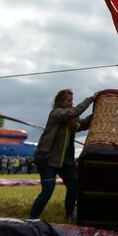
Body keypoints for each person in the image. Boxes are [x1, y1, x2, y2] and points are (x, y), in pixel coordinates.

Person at [29, 88, 94, 223]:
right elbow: (75, 111)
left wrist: (96, 114)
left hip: (65, 162)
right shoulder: (56, 114)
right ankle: (32, 219)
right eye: (69, 100)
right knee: (47, 191)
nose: (71, 103)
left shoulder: (70, 119)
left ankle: (69, 214)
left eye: (72, 100)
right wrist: (91, 99)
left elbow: (82, 124)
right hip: (49, 161)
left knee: (74, 187)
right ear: (61, 101)